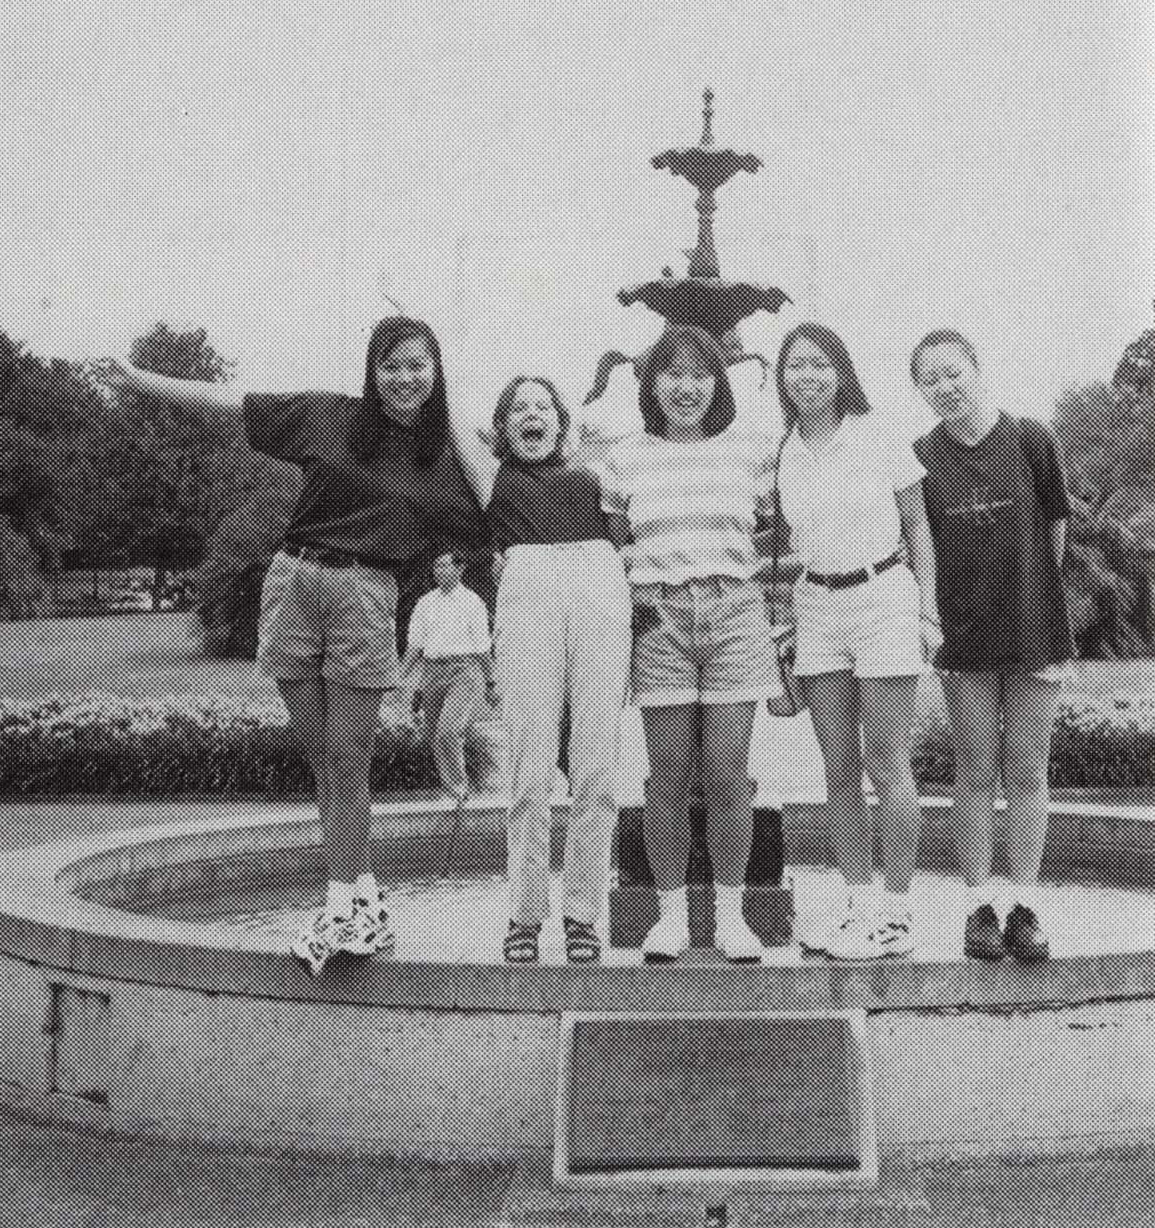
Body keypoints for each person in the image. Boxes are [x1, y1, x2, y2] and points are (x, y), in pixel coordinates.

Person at [96, 316, 490, 974]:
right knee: (321, 757)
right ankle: (364, 894)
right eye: (391, 365)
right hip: (292, 583)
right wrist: (142, 381)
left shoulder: (446, 457)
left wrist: (462, 425)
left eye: (417, 365)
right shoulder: (329, 417)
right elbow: (231, 402)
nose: (404, 378)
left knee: (347, 757)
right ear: (372, 370)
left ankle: (339, 907)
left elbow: (506, 489)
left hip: (365, 594)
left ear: (436, 371)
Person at [600, 324, 783, 964]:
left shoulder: (752, 450)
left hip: (735, 613)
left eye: (700, 374)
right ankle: (670, 917)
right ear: (652, 384)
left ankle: (732, 918)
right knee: (668, 776)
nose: (687, 387)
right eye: (672, 374)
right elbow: (613, 543)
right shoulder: (625, 456)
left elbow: (779, 535)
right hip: (659, 618)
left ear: (718, 383)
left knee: (730, 774)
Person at [451, 375, 631, 964]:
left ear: (561, 422)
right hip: (528, 595)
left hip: (599, 591)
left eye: (544, 406)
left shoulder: (595, 476)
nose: (533, 415)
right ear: (502, 429)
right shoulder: (493, 478)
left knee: (596, 770)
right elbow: (451, 414)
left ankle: (582, 914)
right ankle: (525, 914)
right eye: (519, 409)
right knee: (529, 770)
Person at [774, 322, 941, 961]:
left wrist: (927, 614)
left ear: (841, 370)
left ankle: (895, 912)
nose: (807, 376)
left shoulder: (877, 433)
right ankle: (855, 904)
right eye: (795, 366)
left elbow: (917, 526)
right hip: (817, 604)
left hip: (884, 598)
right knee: (838, 766)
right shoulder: (784, 448)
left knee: (888, 763)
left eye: (819, 364)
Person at [910, 329, 1074, 963]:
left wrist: (1039, 601)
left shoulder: (1031, 439)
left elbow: (1055, 529)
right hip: (963, 634)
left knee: (1028, 770)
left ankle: (1025, 909)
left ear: (976, 369)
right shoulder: (921, 456)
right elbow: (921, 543)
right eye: (929, 380)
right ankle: (979, 907)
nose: (944, 387)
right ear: (920, 390)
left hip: (1034, 630)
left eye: (953, 373)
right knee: (975, 771)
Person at [399, 549, 492, 806]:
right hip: (432, 670)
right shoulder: (425, 602)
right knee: (433, 734)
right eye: (436, 566)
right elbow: (415, 645)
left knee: (448, 731)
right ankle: (450, 790)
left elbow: (482, 646)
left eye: (444, 565)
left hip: (463, 670)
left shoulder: (472, 602)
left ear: (460, 568)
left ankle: (458, 791)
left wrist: (491, 681)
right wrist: (400, 677)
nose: (439, 571)